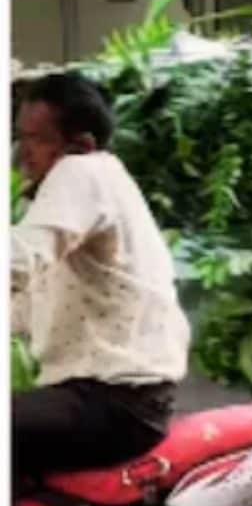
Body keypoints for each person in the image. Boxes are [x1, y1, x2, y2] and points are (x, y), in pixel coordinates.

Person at [11, 72, 191, 478]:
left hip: (117, 401)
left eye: (37, 138)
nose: (25, 154)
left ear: (82, 143)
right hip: (101, 399)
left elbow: (18, 260)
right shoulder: (85, 204)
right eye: (21, 137)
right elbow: (21, 308)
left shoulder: (83, 172)